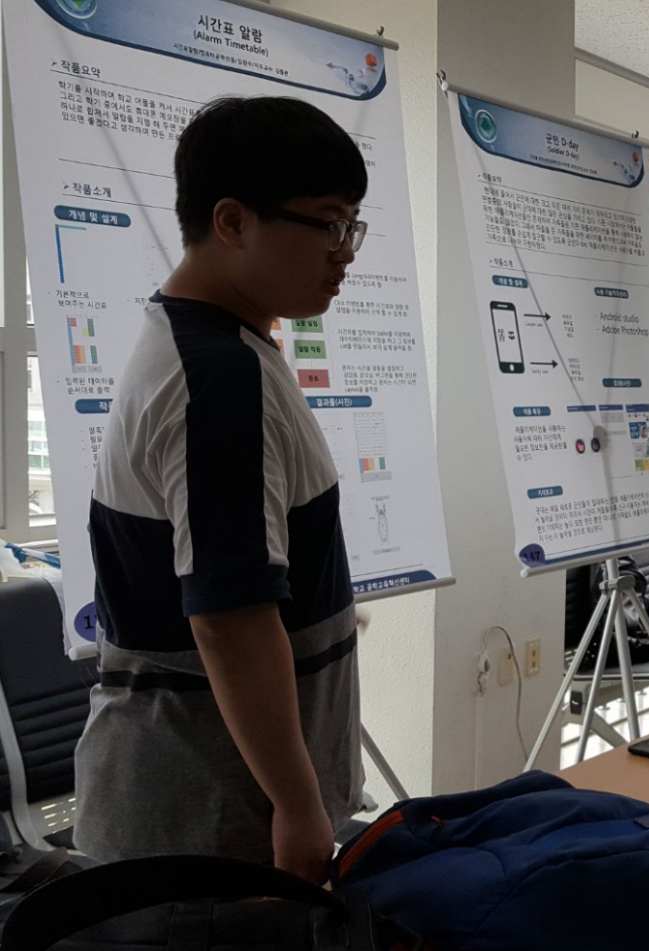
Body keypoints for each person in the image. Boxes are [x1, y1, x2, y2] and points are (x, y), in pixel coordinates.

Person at [75, 97, 370, 884]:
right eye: (330, 223)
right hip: (209, 824)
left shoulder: (214, 346)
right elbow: (229, 623)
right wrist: (299, 807)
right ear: (233, 221)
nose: (345, 252)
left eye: (352, 226)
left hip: (207, 809)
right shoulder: (219, 377)